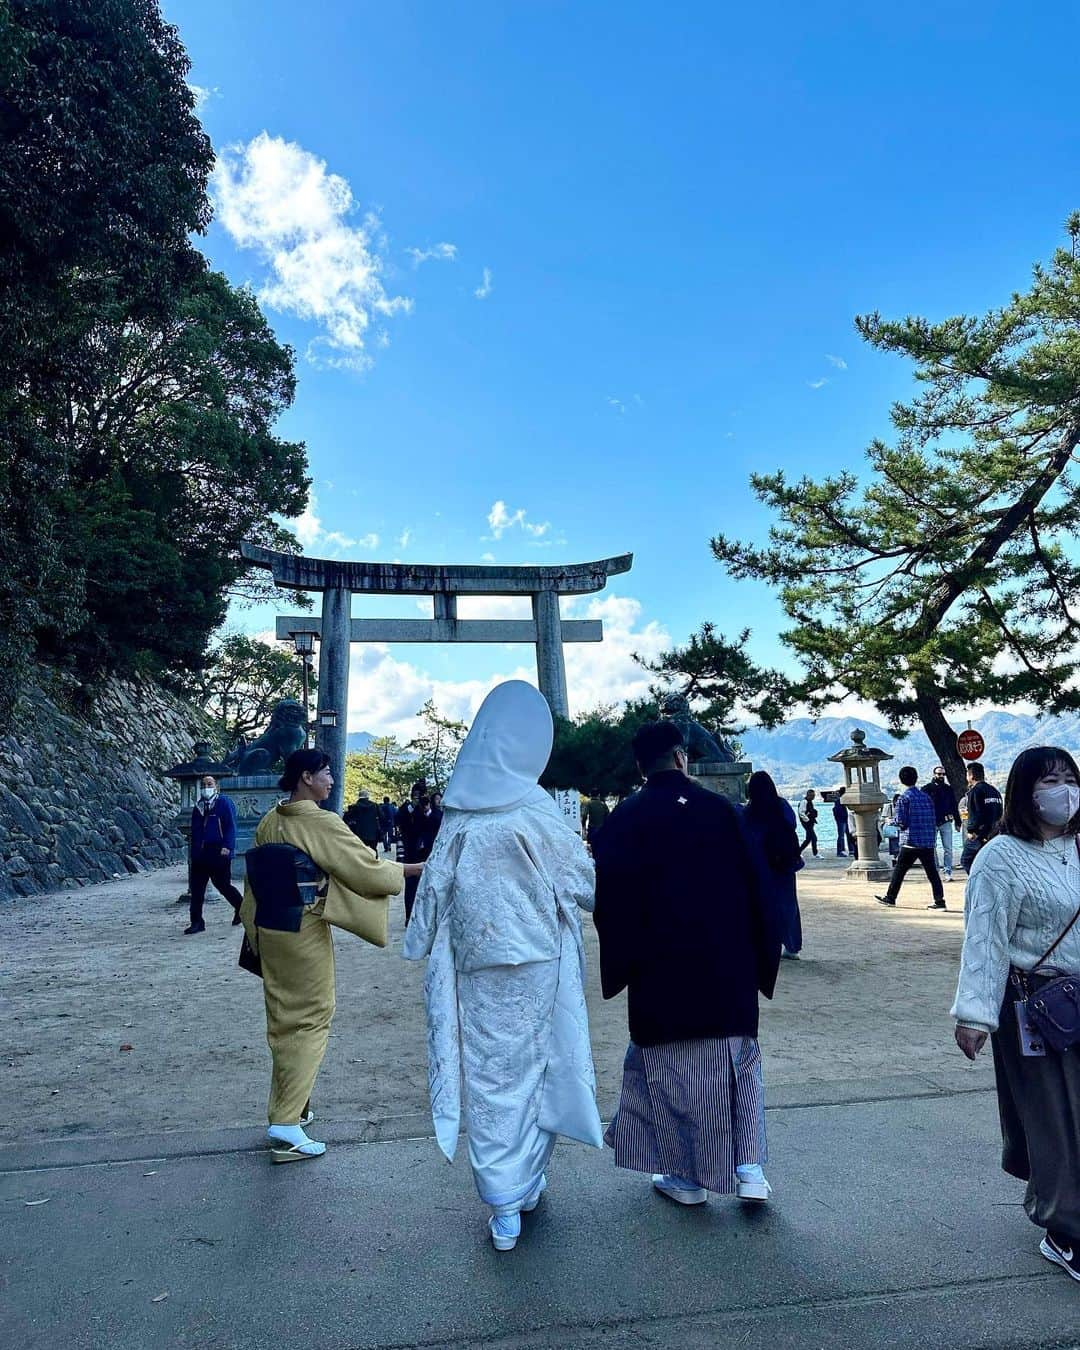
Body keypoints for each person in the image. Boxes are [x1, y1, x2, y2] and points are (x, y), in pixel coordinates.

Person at [404, 681, 603, 1252]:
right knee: (538, 1067)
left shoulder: (461, 814)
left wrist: (418, 943)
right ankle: (525, 1181)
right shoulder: (537, 811)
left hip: (477, 963)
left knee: (493, 1077)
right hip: (538, 958)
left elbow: (435, 889)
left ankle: (503, 1197)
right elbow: (584, 885)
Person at [593, 720, 781, 1208]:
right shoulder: (723, 810)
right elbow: (762, 890)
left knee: (669, 1074)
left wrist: (622, 964)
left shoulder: (625, 818)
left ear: (641, 767)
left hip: (661, 971)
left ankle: (685, 1176)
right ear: (681, 758)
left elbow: (608, 901)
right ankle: (749, 1168)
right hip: (729, 966)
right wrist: (763, 958)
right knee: (738, 1068)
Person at [240, 749, 421, 1163]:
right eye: (325, 774)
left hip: (270, 922)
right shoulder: (318, 820)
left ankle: (291, 1108)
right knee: (311, 1015)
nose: (331, 781)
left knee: (285, 1017)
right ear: (305, 777)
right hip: (302, 926)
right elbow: (365, 869)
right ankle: (286, 1123)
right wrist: (413, 869)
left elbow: (254, 879)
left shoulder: (273, 819)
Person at [952, 746, 1080, 1282]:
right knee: (1056, 1120)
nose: (1064, 790)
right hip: (1036, 1005)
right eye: (1051, 780)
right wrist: (975, 1015)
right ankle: (1065, 1230)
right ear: (1025, 790)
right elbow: (986, 939)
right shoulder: (1000, 857)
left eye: (1071, 778)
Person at [742, 770, 804, 959]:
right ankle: (792, 946)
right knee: (788, 903)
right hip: (784, 862)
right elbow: (792, 825)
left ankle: (763, 944)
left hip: (759, 864)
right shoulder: (782, 806)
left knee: (759, 904)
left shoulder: (747, 812)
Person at [875, 765, 946, 910]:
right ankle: (940, 901)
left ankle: (890, 897)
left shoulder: (904, 798)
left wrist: (890, 821)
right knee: (932, 873)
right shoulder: (926, 797)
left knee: (899, 871)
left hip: (911, 841)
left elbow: (901, 822)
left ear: (901, 780)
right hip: (927, 841)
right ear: (916, 778)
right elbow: (933, 818)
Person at [185, 774, 244, 935]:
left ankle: (241, 907)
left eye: (209, 784)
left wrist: (228, 846)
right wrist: (194, 852)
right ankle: (197, 921)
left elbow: (231, 825)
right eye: (203, 785)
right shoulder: (199, 806)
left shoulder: (224, 803)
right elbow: (195, 831)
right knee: (197, 889)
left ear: (216, 786)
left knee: (223, 885)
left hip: (219, 850)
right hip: (200, 853)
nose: (206, 788)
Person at [962, 761, 1003, 874]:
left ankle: (976, 882)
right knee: (988, 862)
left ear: (971, 775)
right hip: (994, 833)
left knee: (966, 860)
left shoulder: (975, 791)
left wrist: (971, 831)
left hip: (979, 835)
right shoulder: (995, 791)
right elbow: (1000, 812)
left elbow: (975, 813)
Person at [923, 766, 961, 883]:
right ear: (934, 774)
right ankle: (935, 871)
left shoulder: (948, 789)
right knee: (931, 847)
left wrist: (958, 821)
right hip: (931, 822)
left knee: (948, 848)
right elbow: (923, 806)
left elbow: (954, 805)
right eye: (939, 774)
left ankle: (948, 871)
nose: (941, 776)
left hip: (946, 822)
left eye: (943, 774)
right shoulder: (926, 789)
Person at [396, 781, 427, 923]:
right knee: (410, 884)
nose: (417, 798)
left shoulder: (428, 808)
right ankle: (409, 915)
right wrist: (411, 808)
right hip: (410, 851)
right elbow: (399, 820)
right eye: (415, 795)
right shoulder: (405, 808)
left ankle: (421, 915)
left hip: (425, 852)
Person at [798, 789, 819, 857]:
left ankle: (798, 852)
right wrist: (808, 820)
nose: (813, 797)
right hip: (807, 823)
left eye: (814, 795)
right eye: (812, 795)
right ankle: (815, 853)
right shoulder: (804, 802)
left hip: (810, 822)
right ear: (808, 795)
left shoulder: (810, 802)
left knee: (808, 839)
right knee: (814, 838)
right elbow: (801, 813)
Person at [832, 789, 851, 857]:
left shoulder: (840, 800)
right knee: (841, 836)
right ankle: (840, 851)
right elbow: (837, 811)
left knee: (848, 834)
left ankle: (851, 849)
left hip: (844, 819)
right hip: (841, 820)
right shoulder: (839, 801)